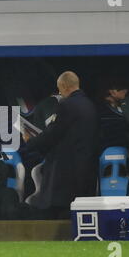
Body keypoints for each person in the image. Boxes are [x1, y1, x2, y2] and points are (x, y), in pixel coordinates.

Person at [23, 71, 99, 219]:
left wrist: (30, 141)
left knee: (60, 210)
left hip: (68, 169)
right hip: (87, 166)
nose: (59, 93)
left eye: (60, 89)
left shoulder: (67, 105)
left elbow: (53, 133)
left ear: (64, 86)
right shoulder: (90, 105)